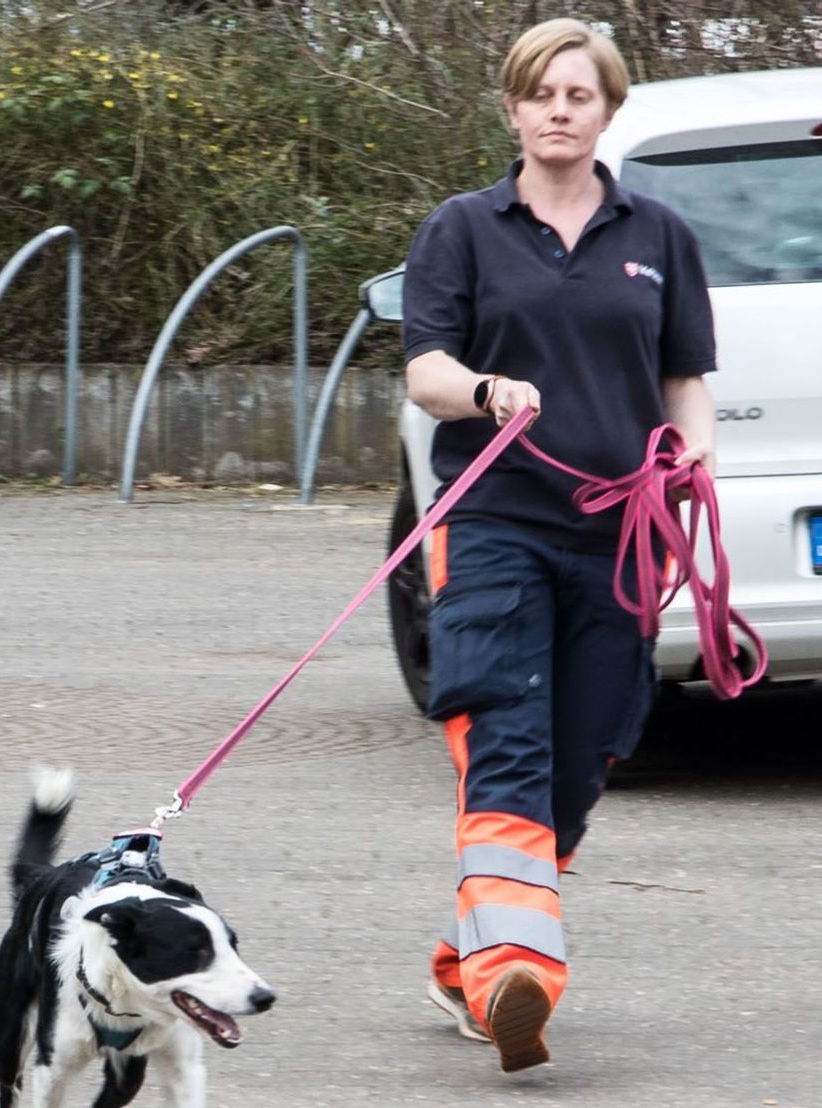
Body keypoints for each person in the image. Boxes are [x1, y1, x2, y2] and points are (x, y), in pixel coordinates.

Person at [400, 19, 716, 1073]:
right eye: (541, 93)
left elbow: (684, 380)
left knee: (581, 762)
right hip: (495, 524)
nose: (559, 109)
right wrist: (488, 392)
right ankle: (509, 989)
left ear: (608, 109)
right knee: (508, 743)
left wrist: (694, 460)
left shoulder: (659, 235)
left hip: (620, 536)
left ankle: (468, 955)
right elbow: (427, 369)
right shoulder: (463, 228)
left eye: (579, 94)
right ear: (513, 108)